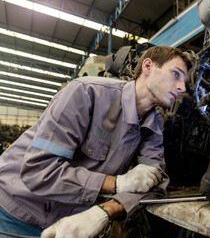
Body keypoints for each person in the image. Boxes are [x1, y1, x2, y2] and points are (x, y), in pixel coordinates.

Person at [0, 46, 192, 238]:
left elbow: (154, 181)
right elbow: (39, 170)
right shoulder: (86, 92)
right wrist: (116, 183)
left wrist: (103, 212)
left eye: (185, 81)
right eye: (176, 74)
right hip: (15, 212)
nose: (182, 87)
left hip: (69, 226)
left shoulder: (154, 123)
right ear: (148, 66)